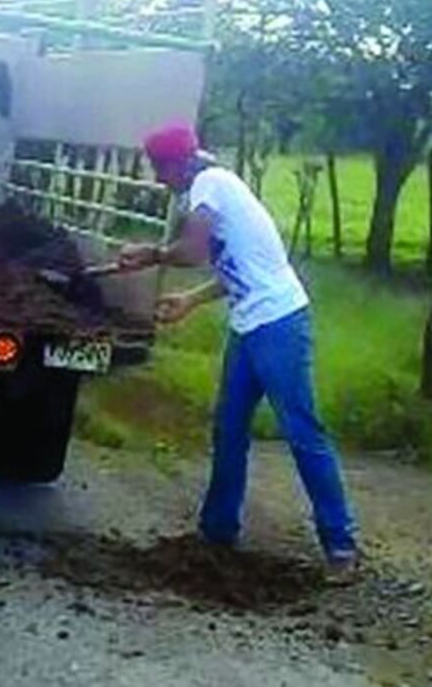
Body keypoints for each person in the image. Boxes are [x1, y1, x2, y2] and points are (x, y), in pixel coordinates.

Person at [118, 123, 359, 574]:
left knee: (303, 431)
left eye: (158, 169)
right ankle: (218, 531)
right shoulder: (217, 187)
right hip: (249, 325)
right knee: (229, 428)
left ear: (175, 164)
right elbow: (235, 269)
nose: (157, 179)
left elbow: (191, 250)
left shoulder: (210, 184)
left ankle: (340, 543)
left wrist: (150, 254)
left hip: (279, 324)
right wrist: (190, 301)